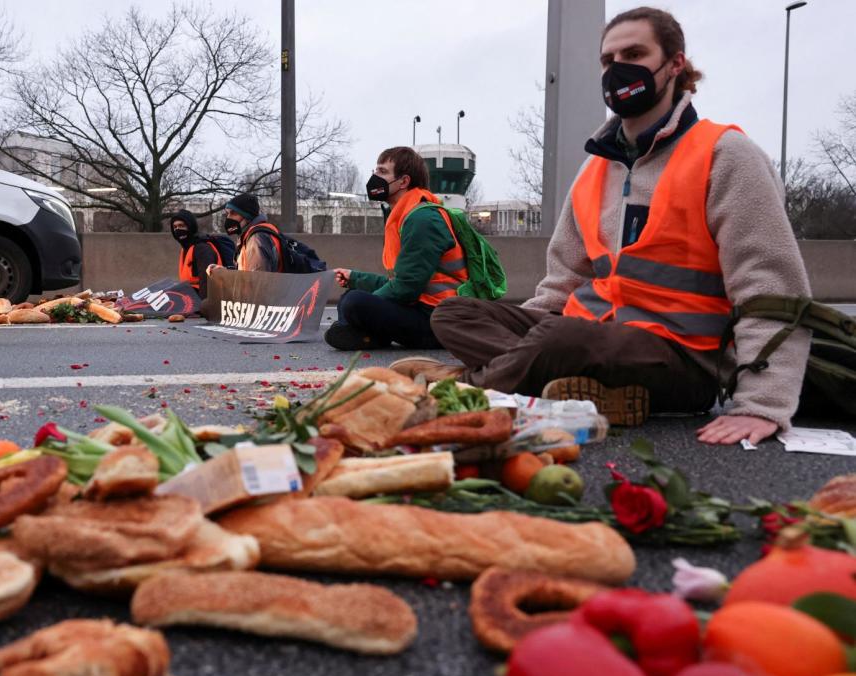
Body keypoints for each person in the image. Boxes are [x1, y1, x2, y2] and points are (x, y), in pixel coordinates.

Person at [393, 6, 810, 446]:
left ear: (675, 64)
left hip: (682, 356)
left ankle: (465, 387)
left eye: (633, 53)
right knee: (454, 312)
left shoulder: (725, 155)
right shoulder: (595, 170)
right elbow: (562, 281)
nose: (617, 69)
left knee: (558, 339)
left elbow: (770, 285)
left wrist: (762, 405)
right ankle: (576, 391)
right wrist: (529, 337)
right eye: (608, 61)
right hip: (585, 334)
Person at [326, 147, 469, 350]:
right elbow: (401, 282)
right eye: (375, 171)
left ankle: (368, 334)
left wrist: (365, 305)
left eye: (382, 172)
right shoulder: (407, 215)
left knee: (353, 302)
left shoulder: (423, 220)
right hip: (424, 309)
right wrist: (355, 278)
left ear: (403, 181)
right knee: (352, 296)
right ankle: (368, 334)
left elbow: (406, 289)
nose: (375, 177)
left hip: (440, 321)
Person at [170, 209, 231, 298]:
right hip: (190, 298)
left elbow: (207, 282)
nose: (178, 230)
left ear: (190, 226)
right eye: (175, 227)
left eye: (181, 226)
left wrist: (203, 307)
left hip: (203, 301)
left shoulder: (202, 248)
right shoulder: (186, 248)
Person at [223, 193, 283, 272]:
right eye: (228, 213)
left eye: (234, 213)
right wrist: (224, 271)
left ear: (247, 217)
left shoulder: (256, 239)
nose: (228, 217)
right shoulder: (252, 236)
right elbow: (246, 272)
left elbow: (257, 280)